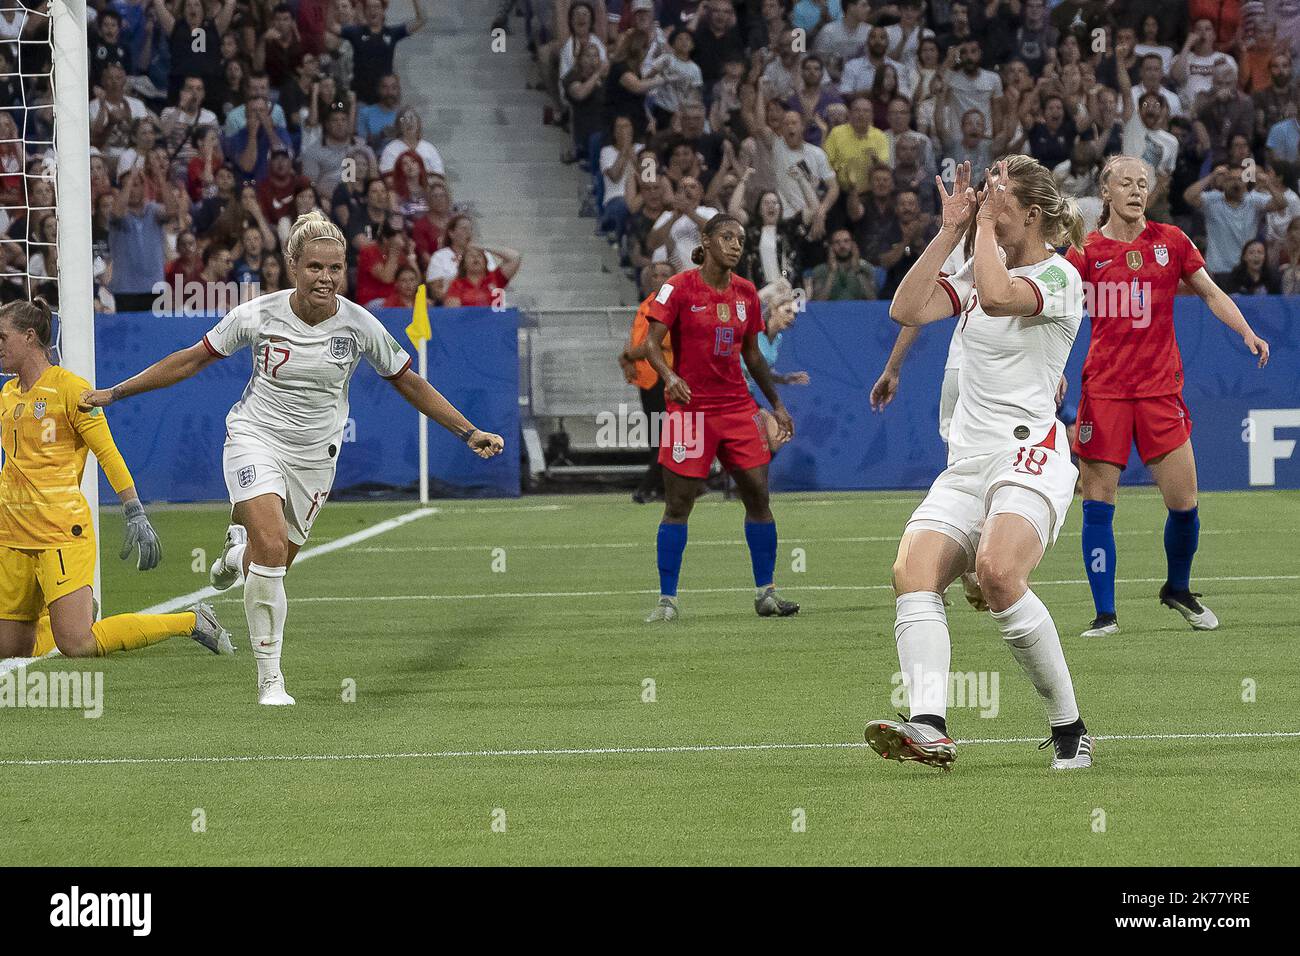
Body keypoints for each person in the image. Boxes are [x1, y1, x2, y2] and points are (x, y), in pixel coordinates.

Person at [77, 212, 506, 705]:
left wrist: (467, 431)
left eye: (335, 268)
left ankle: (236, 556)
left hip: (315, 459)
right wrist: (118, 391)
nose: (325, 278)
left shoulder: (359, 324)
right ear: (292, 266)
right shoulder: (258, 315)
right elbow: (193, 358)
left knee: (273, 559)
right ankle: (270, 679)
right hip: (253, 436)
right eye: (314, 267)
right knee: (273, 543)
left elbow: (408, 380)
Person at [866, 157, 1093, 772]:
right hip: (967, 462)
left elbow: (996, 299)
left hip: (1031, 455)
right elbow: (906, 310)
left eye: (1001, 199)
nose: (988, 204)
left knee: (997, 574)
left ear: (1033, 216)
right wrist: (948, 231)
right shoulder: (973, 264)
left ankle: (1069, 727)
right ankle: (930, 727)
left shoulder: (1060, 276)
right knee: (911, 573)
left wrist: (983, 228)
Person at [1066, 156, 1271, 638]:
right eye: (1126, 183)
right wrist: (1054, 370)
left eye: (1144, 184)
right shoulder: (1086, 251)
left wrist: (1245, 330)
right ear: (1106, 192)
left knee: (1185, 503)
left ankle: (1177, 588)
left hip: (1161, 392)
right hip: (1105, 392)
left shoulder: (1172, 242)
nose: (1137, 190)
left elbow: (1211, 292)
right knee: (1098, 503)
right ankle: (1105, 614)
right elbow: (1059, 311)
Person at [0, 299, 232, 660]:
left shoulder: (72, 390)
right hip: (11, 535)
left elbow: (107, 453)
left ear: (30, 337)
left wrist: (134, 510)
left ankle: (191, 621)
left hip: (58, 531)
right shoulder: (7, 393)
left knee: (77, 645)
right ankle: (66, 612)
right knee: (11, 651)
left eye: (3, 337)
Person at [639, 214, 799, 622]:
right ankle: (667, 600)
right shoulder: (676, 288)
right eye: (726, 237)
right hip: (690, 410)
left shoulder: (746, 294)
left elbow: (753, 356)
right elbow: (648, 345)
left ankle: (766, 592)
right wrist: (669, 377)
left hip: (736, 408)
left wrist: (777, 404)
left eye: (741, 239)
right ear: (706, 242)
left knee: (758, 496)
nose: (735, 244)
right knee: (678, 503)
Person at [619, 261, 676, 504]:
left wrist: (630, 355)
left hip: (667, 378)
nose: (660, 279)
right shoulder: (646, 305)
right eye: (655, 275)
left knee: (665, 438)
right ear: (648, 280)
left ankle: (646, 487)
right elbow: (635, 337)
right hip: (647, 381)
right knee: (656, 438)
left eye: (665, 275)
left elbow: (657, 343)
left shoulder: (675, 306)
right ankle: (665, 488)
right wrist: (627, 359)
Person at [747, 279, 810, 450]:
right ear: (774, 309)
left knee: (777, 438)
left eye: (795, 314)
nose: (792, 317)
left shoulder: (778, 339)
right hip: (731, 393)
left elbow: (763, 370)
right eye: (788, 311)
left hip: (747, 395)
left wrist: (784, 378)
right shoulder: (753, 329)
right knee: (774, 432)